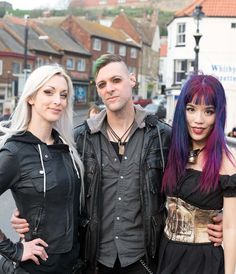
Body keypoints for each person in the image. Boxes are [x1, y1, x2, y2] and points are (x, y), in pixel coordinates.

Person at [11, 55, 223, 274]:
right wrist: (29, 209)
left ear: (132, 79)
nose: (109, 88)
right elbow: (53, 185)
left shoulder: (163, 136)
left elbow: (204, 173)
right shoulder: (79, 139)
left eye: (116, 80)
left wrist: (222, 218)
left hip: (146, 261)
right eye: (102, 84)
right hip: (93, 261)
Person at [0, 64, 84, 274]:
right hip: (36, 268)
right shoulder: (15, 151)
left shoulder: (67, 148)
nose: (58, 100)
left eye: (63, 95)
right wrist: (14, 250)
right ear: (31, 97)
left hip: (74, 266)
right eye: (49, 92)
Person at [157, 74, 236, 274]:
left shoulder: (226, 163)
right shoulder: (173, 150)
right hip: (166, 253)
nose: (198, 120)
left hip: (202, 261)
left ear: (218, 115)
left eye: (208, 111)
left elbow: (230, 227)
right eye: (191, 109)